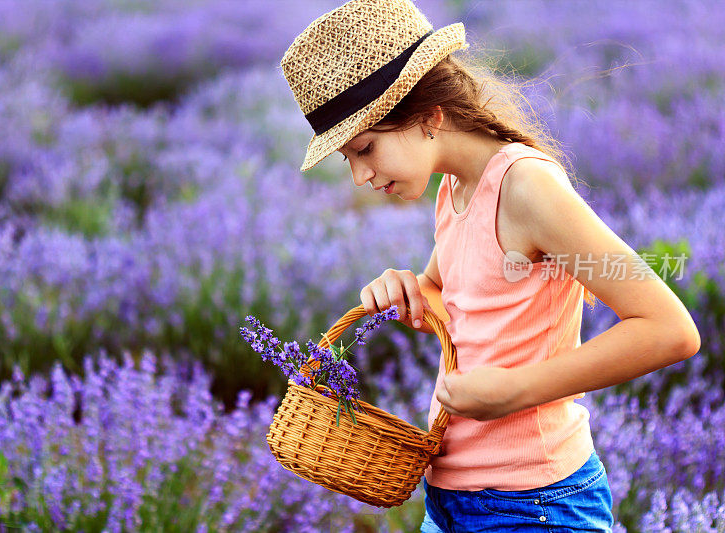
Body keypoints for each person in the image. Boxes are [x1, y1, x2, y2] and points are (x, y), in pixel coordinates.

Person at [279, 0, 701, 531]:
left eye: (365, 148)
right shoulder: (455, 188)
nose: (360, 176)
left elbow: (669, 331)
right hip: (450, 499)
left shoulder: (527, 189)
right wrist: (410, 292)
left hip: (535, 505)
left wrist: (515, 391)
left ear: (428, 115)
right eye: (348, 159)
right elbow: (449, 293)